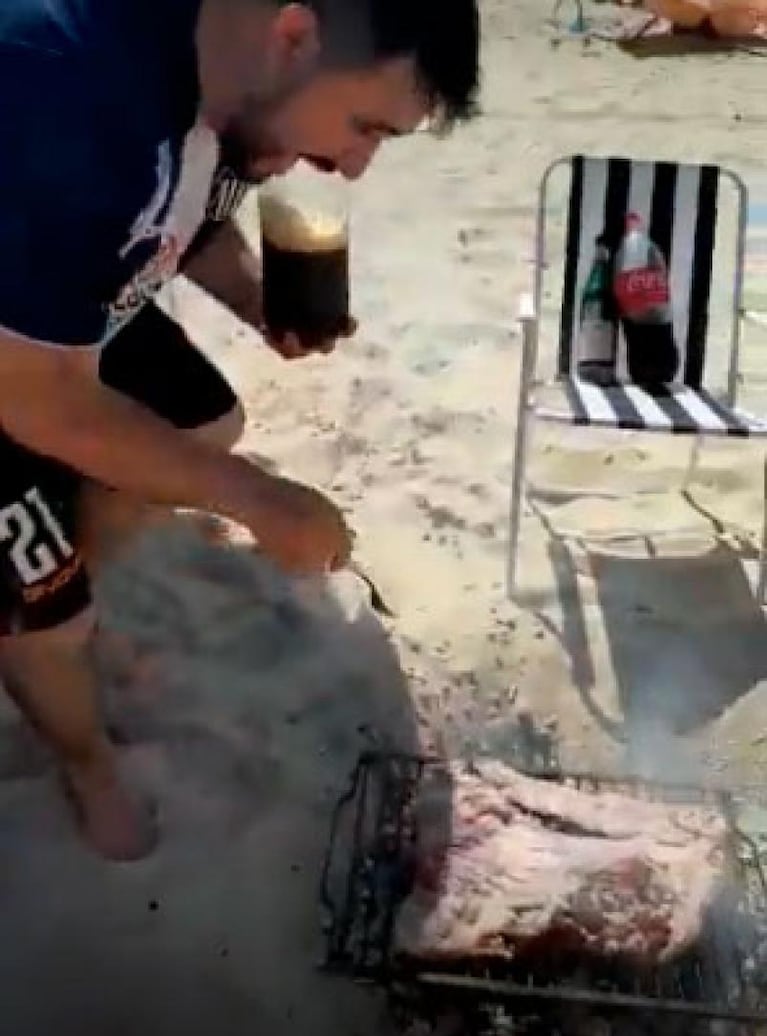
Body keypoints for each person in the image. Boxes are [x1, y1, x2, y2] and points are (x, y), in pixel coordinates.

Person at [0, 0, 480, 860]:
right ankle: (83, 752)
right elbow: (35, 400)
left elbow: (188, 218)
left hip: (59, 302)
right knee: (45, 616)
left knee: (207, 420)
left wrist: (258, 303)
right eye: (365, 126)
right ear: (294, 34)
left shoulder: (237, 84)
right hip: (18, 365)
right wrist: (263, 501)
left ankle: (84, 591)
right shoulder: (62, 92)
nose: (355, 167)